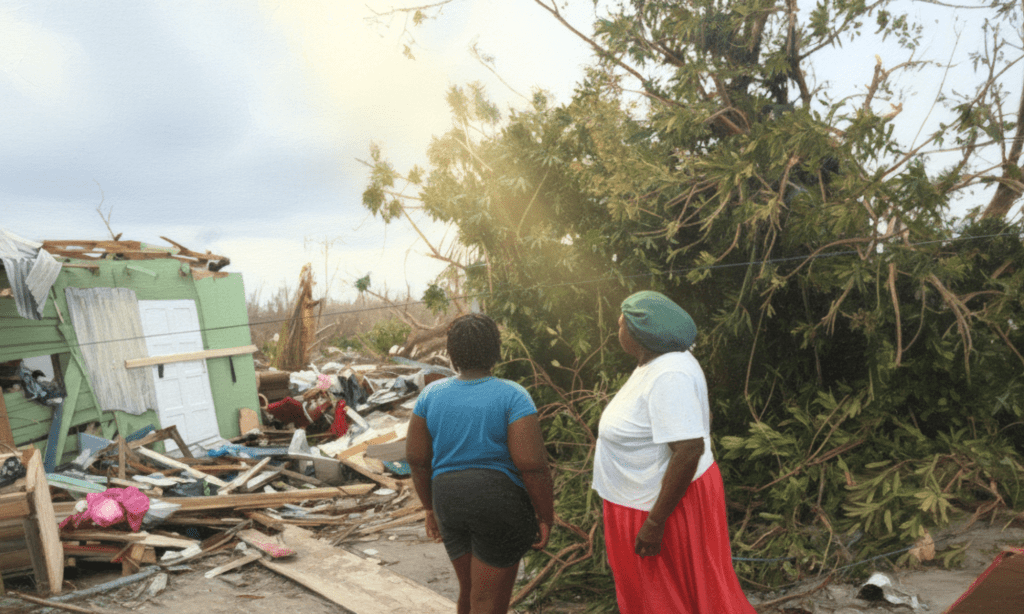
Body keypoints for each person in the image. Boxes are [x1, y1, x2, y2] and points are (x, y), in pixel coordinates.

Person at [592, 291, 756, 613]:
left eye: (621, 324)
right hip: (642, 498)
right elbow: (698, 421)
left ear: (638, 335)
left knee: (665, 599)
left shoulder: (670, 373)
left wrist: (655, 522)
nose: (618, 331)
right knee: (664, 596)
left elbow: (689, 448)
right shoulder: (656, 363)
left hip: (661, 506)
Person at [407, 313, 555, 614]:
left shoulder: (430, 396)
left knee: (471, 592)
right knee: (488, 602)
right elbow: (532, 466)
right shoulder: (513, 396)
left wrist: (429, 508)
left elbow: (418, 461)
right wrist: (544, 516)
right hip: (497, 503)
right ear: (495, 351)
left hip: (448, 499)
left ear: (452, 353)